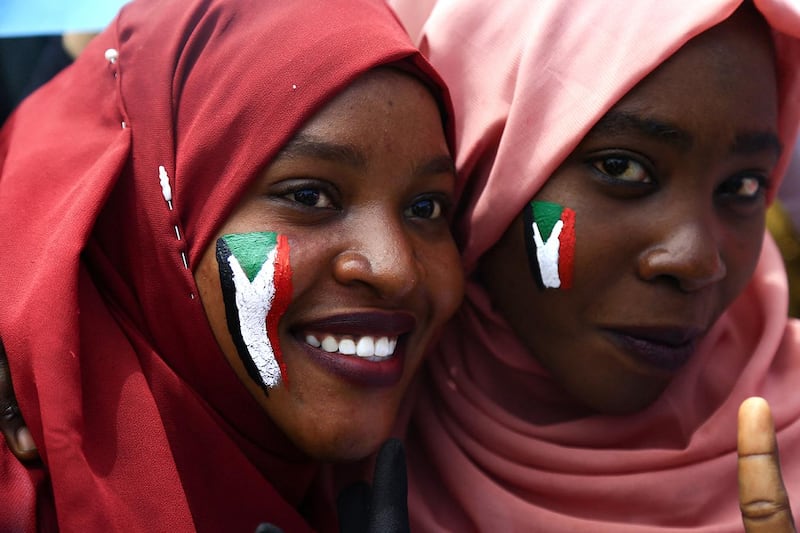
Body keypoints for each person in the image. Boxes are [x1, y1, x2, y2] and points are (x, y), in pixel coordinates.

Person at [0, 0, 463, 529]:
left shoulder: (341, 497)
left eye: (425, 207)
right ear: (147, 219)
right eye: (309, 196)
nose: (395, 268)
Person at [387, 0, 800, 530]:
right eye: (621, 167)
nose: (698, 261)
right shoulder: (333, 428)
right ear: (481, 163)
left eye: (743, 185)